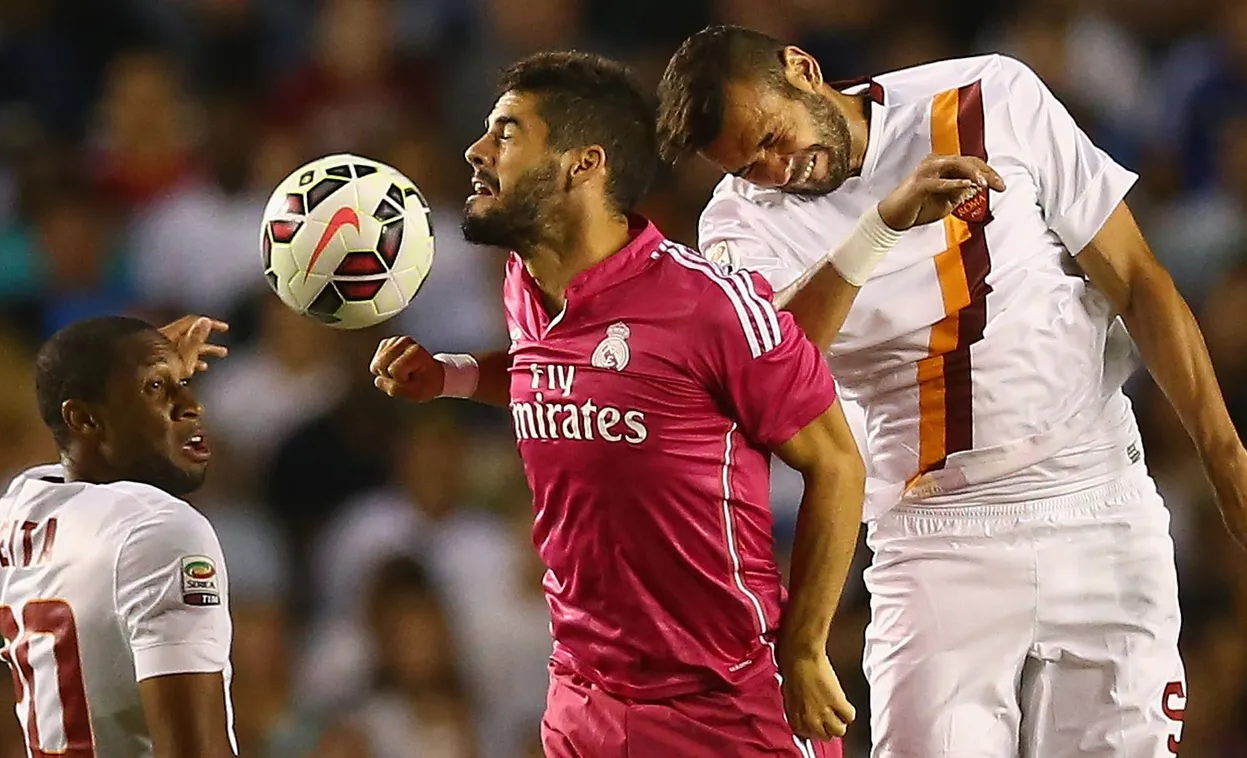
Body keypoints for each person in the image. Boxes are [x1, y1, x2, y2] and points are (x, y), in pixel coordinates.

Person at [656, 24, 1247, 758]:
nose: (779, 169)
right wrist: (880, 225)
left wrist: (1225, 456)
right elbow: (772, 370)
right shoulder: (736, 222)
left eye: (772, 138)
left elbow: (1134, 276)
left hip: (1097, 499)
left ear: (802, 69)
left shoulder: (989, 95)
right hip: (934, 538)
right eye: (749, 165)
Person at [369, 51, 865, 757]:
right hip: (582, 701)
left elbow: (837, 465)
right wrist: (446, 377)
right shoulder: (522, 282)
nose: (477, 150)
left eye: (507, 132)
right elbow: (557, 373)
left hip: (725, 707)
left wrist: (808, 650)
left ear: (582, 163)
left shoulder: (707, 305)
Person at [0, 314, 238, 758]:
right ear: (84, 418)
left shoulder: (16, 509)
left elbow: (73, 452)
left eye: (181, 382)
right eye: (157, 387)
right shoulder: (160, 528)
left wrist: (132, 370)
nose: (191, 404)